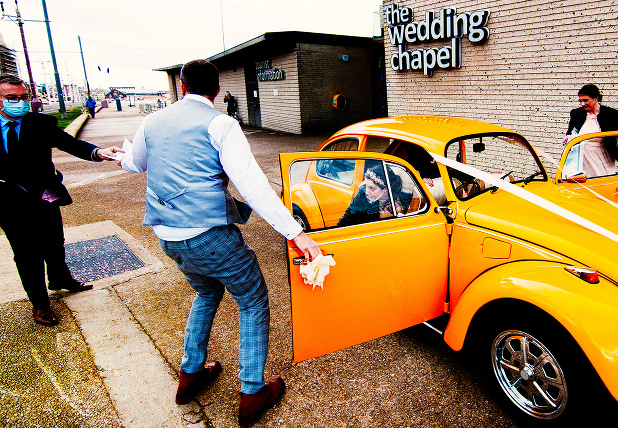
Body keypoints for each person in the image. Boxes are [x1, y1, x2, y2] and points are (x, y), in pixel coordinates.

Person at [119, 59, 320, 427]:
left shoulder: (151, 121)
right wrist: (297, 233)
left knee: (207, 293)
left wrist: (119, 156)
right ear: (216, 91)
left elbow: (135, 164)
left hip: (168, 236)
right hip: (209, 235)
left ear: (182, 87)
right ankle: (251, 391)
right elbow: (252, 186)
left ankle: (191, 374)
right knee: (253, 299)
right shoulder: (220, 124)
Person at [0, 74, 122, 326]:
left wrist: (98, 152)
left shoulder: (40, 123)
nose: (20, 102)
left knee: (55, 243)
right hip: (7, 203)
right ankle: (41, 305)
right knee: (26, 255)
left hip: (43, 196)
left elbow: (69, 143)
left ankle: (60, 279)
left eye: (24, 97)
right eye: (12, 98)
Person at [564, 84, 618, 178]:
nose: (582, 104)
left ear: (596, 98)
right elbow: (570, 132)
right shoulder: (576, 113)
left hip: (602, 157)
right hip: (581, 159)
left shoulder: (611, 114)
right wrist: (569, 137)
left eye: (585, 100)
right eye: (580, 101)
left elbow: (616, 137)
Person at [337, 162, 407, 227]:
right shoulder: (362, 194)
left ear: (385, 189)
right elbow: (347, 218)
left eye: (372, 188)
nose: (367, 192)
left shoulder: (398, 202)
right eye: (366, 186)